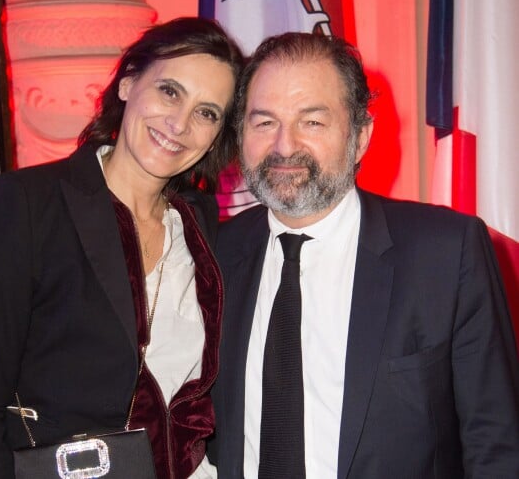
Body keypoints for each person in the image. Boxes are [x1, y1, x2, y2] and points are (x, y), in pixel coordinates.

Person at [0, 16, 244, 479]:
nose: (179, 123)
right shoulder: (28, 205)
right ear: (127, 83)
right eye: (169, 91)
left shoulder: (201, 227)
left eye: (207, 112)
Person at [211, 32, 519, 478]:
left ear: (359, 138)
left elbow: (497, 444)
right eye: (263, 122)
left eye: (312, 122)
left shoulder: (447, 253)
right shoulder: (214, 255)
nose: (283, 145)